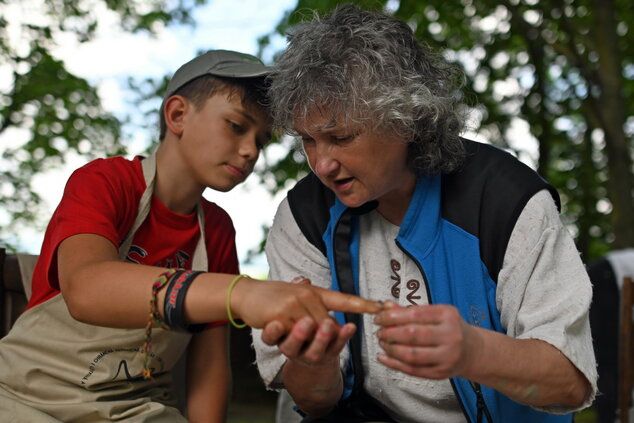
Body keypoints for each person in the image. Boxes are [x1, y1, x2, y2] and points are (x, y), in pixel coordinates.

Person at [252, 4, 597, 423]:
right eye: (308, 140)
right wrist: (313, 362)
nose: (321, 164)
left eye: (340, 137)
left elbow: (570, 382)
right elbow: (315, 403)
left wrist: (473, 351)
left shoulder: (506, 203)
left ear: (406, 121)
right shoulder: (304, 216)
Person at [0, 49, 379, 423]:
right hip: (26, 398)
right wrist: (241, 293)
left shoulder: (216, 230)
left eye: (261, 141)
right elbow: (85, 289)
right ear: (178, 115)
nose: (250, 151)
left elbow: (209, 367)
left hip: (135, 410)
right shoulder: (106, 182)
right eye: (236, 125)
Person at [587, 248, 634, 423]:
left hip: (608, 274)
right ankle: (608, 415)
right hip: (607, 275)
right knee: (607, 357)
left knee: (607, 358)